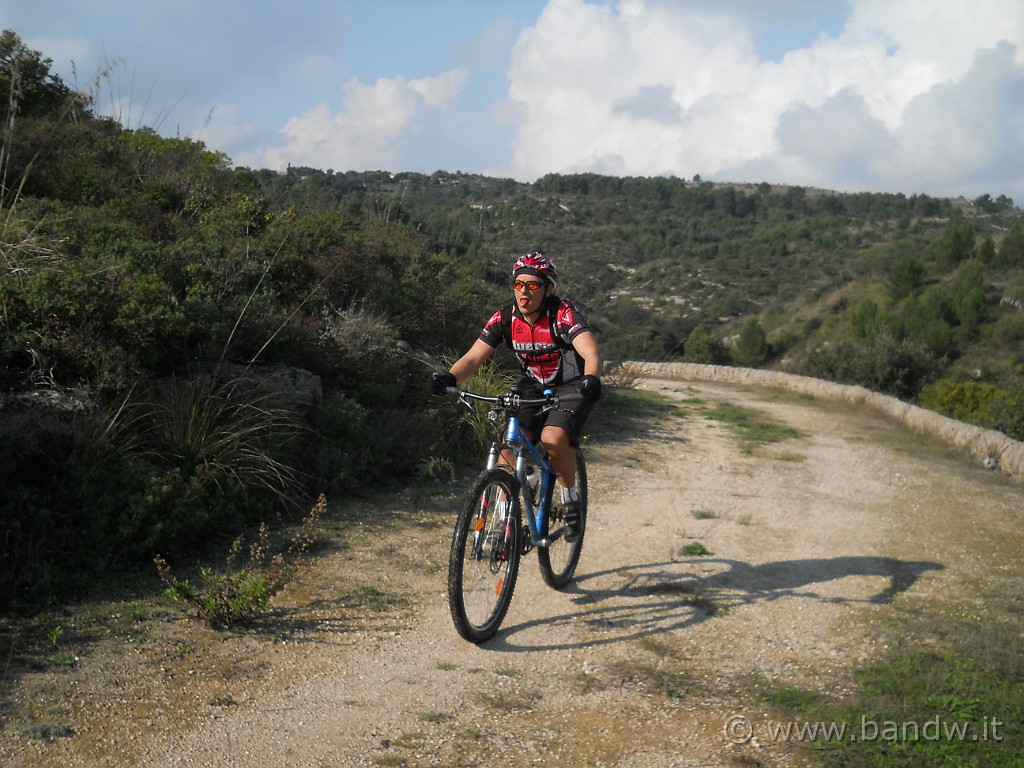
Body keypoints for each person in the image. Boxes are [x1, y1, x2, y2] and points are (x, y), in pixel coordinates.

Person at [429, 252, 603, 541]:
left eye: (533, 285)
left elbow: (590, 352)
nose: (524, 291)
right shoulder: (505, 318)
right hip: (533, 385)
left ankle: (571, 498)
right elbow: (473, 358)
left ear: (548, 289)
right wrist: (451, 377)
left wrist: (592, 378)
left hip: (572, 386)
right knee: (508, 445)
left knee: (553, 438)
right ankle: (508, 511)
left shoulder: (563, 315)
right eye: (518, 284)